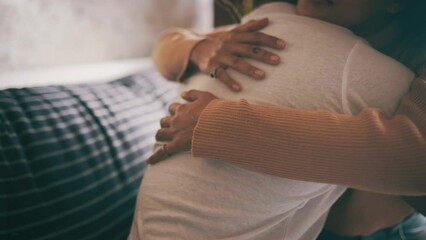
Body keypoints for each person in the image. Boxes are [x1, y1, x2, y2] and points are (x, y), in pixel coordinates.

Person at [131, 0, 425, 239]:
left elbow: (418, 159)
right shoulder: (279, 22)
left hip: (369, 228)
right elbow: (166, 46)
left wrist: (221, 126)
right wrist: (200, 49)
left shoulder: (406, 66)